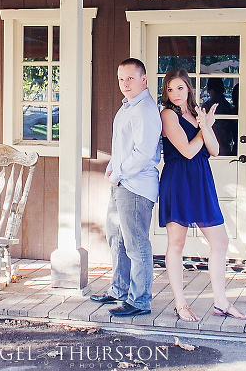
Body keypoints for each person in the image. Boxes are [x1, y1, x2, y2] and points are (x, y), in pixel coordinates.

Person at [158, 68, 246, 322]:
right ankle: (180, 303)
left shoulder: (197, 113)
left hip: (200, 179)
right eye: (170, 89)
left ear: (188, 88)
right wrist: (203, 127)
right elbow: (187, 151)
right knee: (176, 244)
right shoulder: (167, 114)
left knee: (220, 241)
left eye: (180, 87)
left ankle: (221, 302)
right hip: (178, 180)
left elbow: (215, 149)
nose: (175, 93)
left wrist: (205, 125)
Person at [90, 58, 162, 317]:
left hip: (136, 186)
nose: (124, 84)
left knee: (135, 243)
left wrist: (117, 173)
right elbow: (124, 148)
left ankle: (139, 300)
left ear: (144, 79)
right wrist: (113, 168)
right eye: (121, 79)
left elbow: (143, 153)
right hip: (121, 181)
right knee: (116, 237)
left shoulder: (145, 109)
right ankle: (119, 290)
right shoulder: (127, 107)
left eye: (130, 78)